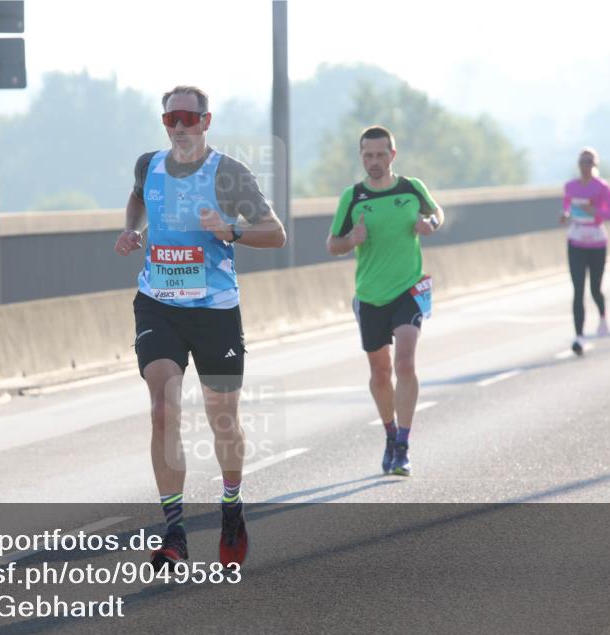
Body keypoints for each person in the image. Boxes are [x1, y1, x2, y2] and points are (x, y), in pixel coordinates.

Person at [114, 85, 286, 570]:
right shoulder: (148, 164)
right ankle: (175, 531)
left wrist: (230, 231)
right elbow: (136, 199)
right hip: (158, 304)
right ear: (164, 123)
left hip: (215, 311)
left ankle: (231, 505)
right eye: (172, 120)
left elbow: (276, 233)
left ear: (206, 122)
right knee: (162, 410)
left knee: (222, 417)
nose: (181, 127)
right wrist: (132, 229)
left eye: (190, 118)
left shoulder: (228, 173)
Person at [326, 126, 443, 477]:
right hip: (370, 295)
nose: (373, 161)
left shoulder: (411, 188)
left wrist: (430, 223)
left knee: (405, 363)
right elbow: (332, 244)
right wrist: (351, 239)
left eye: (380, 154)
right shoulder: (354, 196)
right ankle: (391, 435)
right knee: (380, 371)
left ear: (393, 155)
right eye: (367, 155)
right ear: (361, 156)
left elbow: (436, 213)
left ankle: (404, 446)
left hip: (408, 289)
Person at [557, 148, 610, 356]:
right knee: (578, 289)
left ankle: (603, 316)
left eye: (589, 162)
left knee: (595, 288)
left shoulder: (602, 187)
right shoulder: (570, 187)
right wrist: (565, 215)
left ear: (595, 165)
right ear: (578, 165)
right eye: (582, 162)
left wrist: (595, 211)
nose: (585, 166)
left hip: (596, 241)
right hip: (576, 240)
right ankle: (579, 336)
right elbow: (566, 208)